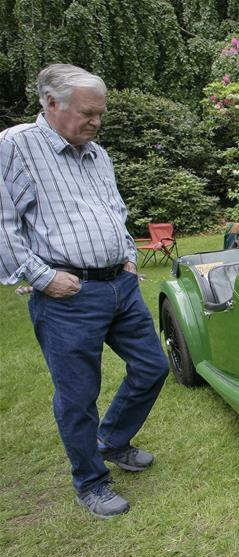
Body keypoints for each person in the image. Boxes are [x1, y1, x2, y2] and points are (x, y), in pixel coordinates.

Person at [0, 64, 169, 518]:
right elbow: (4, 224)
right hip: (67, 295)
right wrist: (41, 276)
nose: (96, 122)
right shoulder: (14, 147)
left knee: (153, 367)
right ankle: (91, 482)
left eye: (100, 113)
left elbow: (114, 207)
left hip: (120, 283)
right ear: (51, 104)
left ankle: (112, 440)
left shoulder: (98, 153)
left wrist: (129, 253)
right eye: (88, 113)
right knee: (77, 396)